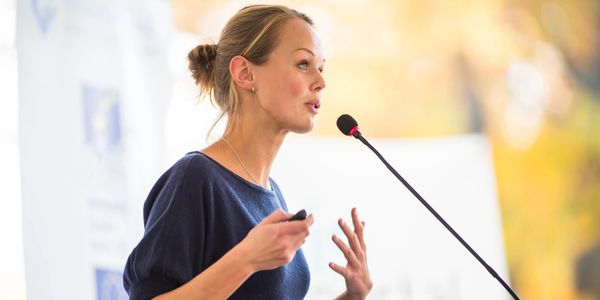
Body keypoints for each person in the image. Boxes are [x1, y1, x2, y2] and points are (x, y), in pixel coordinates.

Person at [123, 4, 372, 299]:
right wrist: (247, 259)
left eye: (321, 67)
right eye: (304, 64)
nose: (321, 82)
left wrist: (351, 297)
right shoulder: (196, 179)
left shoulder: (272, 193)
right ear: (245, 73)